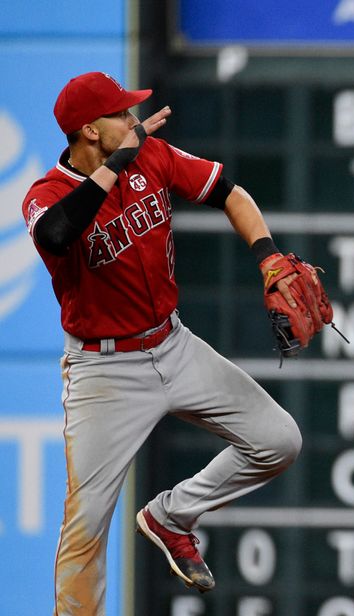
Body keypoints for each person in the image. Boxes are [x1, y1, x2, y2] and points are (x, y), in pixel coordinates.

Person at [22, 72, 305, 615]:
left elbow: (229, 192)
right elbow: (55, 234)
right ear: (89, 131)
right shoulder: (46, 193)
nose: (132, 121)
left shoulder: (149, 154)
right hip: (104, 372)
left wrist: (268, 254)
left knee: (277, 439)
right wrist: (116, 167)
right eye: (120, 115)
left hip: (174, 345)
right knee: (86, 527)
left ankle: (171, 516)